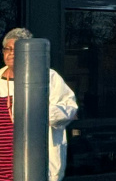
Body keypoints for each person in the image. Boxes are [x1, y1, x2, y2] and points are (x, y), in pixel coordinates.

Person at [0, 28, 78, 181]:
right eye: (7, 49)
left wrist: (38, 112)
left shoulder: (48, 77)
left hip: (32, 169)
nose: (11, 53)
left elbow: (70, 109)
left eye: (17, 50)